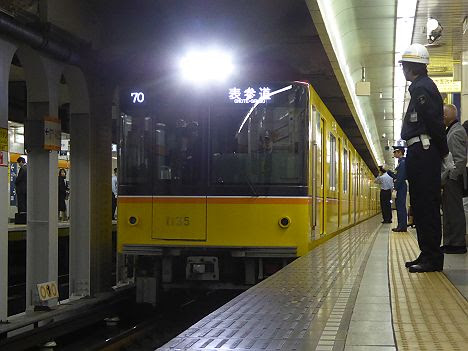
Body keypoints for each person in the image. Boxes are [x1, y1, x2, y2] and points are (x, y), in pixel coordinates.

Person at [399, 43, 449, 273]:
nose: (403, 70)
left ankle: (432, 257)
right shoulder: (420, 87)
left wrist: (443, 152)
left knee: (426, 204)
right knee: (420, 204)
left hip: (425, 150)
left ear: (412, 67)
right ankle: (427, 252)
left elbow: (435, 123)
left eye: (404, 66)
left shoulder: (423, 89)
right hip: (420, 151)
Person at [441, 104, 467, 254]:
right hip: (449, 178)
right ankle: (450, 242)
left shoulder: (456, 132)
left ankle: (458, 244)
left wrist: (452, 177)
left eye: (442, 114)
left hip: (453, 179)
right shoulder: (451, 130)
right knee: (449, 211)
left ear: (447, 115)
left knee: (455, 211)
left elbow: (460, 159)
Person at [392, 146, 407, 232]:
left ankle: (402, 226)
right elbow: (395, 175)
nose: (394, 154)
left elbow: (400, 177)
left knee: (401, 206)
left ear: (400, 152)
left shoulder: (403, 163)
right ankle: (400, 225)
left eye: (395, 152)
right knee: (399, 206)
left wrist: (396, 188)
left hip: (401, 186)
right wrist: (388, 171)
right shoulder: (400, 163)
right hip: (400, 185)